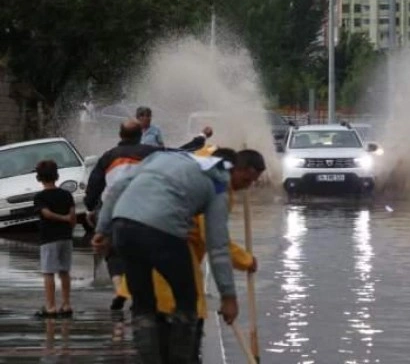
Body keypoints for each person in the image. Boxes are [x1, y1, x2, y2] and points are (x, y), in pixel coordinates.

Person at [91, 148, 266, 364]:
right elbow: (216, 244)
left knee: (144, 307)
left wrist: (103, 229)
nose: (247, 186)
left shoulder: (164, 157)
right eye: (249, 180)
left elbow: (117, 187)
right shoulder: (219, 182)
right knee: (187, 301)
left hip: (124, 228)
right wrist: (228, 296)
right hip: (163, 234)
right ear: (237, 170)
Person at [84, 119, 214, 311]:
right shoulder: (151, 153)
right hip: (144, 208)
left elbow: (95, 186)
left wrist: (90, 207)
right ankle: (140, 294)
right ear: (140, 135)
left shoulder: (107, 157)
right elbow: (182, 152)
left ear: (120, 136)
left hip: (114, 211)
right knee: (145, 255)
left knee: (114, 254)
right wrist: (202, 137)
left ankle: (120, 289)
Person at [33, 160, 76, 318]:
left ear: (39, 178)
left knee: (48, 273)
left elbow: (46, 214)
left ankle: (50, 306)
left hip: (49, 238)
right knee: (65, 271)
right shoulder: (66, 195)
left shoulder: (40, 197)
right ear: (56, 176)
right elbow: (73, 215)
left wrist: (63, 219)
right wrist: (68, 223)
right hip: (66, 237)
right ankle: (66, 304)